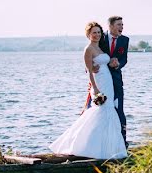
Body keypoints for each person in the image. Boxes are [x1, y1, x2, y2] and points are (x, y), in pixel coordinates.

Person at [50, 21, 127, 159]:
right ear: (88, 35)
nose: (97, 35)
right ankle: (82, 145)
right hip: (98, 83)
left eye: (98, 32)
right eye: (94, 33)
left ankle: (108, 148)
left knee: (108, 112)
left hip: (108, 81)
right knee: (99, 112)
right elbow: (89, 72)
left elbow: (105, 62)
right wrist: (95, 89)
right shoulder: (88, 49)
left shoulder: (101, 47)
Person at [99, 15, 129, 147]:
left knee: (119, 109)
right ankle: (100, 140)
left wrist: (118, 64)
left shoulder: (125, 40)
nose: (121, 27)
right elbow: (93, 55)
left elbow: (124, 59)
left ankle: (122, 140)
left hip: (116, 80)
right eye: (119, 25)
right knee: (98, 108)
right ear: (110, 26)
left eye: (122, 25)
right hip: (101, 80)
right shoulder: (100, 37)